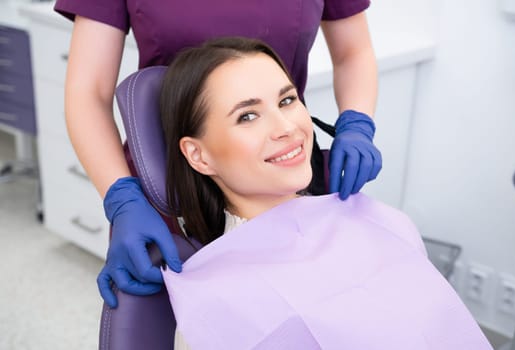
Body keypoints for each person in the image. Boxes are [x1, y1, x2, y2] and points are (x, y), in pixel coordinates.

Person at [158, 37, 492, 350]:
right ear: (199, 155)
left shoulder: (383, 223)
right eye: (248, 116)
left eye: (287, 100)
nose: (288, 128)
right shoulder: (215, 300)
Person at [54, 0, 382, 308]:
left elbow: (353, 53)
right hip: (170, 192)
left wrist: (356, 123)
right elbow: (89, 92)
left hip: (282, 179)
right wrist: (122, 198)